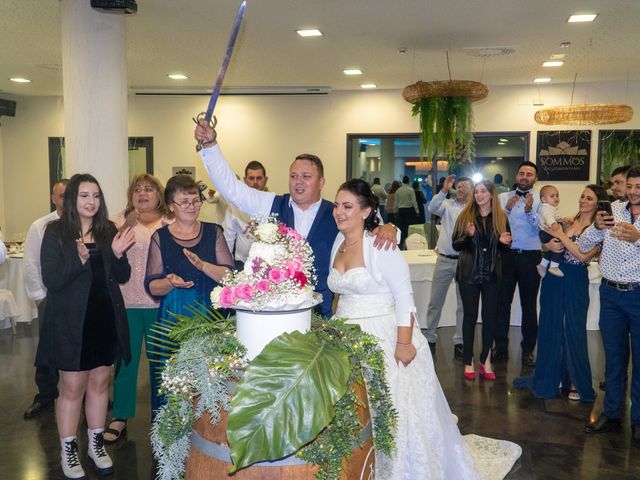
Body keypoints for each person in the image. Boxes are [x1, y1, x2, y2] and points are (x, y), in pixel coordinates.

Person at [329, 179, 521, 479]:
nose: (339, 212)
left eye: (348, 206)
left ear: (366, 212)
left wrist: (403, 344)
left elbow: (405, 296)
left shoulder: (381, 245)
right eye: (337, 206)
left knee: (391, 411)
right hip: (344, 338)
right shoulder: (337, 242)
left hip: (383, 335)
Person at [193, 122, 397, 318]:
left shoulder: (337, 213)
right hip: (274, 311)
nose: (298, 182)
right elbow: (232, 190)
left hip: (321, 312)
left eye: (306, 176)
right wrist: (210, 147)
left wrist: (390, 227)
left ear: (321, 182)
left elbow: (370, 224)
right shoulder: (270, 204)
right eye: (293, 176)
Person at [37, 173, 135, 479]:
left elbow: (121, 275)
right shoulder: (55, 232)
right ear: (71, 200)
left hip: (104, 318)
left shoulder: (108, 231)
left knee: (99, 385)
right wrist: (79, 261)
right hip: (70, 322)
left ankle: (95, 444)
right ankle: (69, 449)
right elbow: (52, 280)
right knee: (72, 388)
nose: (91, 201)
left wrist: (118, 254)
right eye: (84, 195)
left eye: (95, 196)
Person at [144, 174, 234, 413]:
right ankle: (172, 438)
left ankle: (207, 440)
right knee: (173, 379)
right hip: (173, 317)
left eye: (195, 201)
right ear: (171, 206)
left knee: (210, 378)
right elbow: (152, 286)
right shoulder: (160, 237)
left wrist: (203, 266)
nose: (191, 207)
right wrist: (170, 282)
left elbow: (229, 276)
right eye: (184, 202)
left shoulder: (213, 231)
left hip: (210, 316)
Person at [514, 185, 606, 403]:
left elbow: (583, 257)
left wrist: (561, 237)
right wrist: (548, 243)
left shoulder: (598, 229)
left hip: (575, 279)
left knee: (573, 328)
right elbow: (549, 244)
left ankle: (575, 380)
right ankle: (550, 375)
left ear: (597, 203)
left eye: (589, 198)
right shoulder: (569, 222)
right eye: (582, 196)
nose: (583, 200)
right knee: (549, 324)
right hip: (554, 279)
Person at [103, 174, 170, 443]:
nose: (143, 193)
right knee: (126, 362)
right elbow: (107, 256)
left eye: (149, 189)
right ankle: (120, 415)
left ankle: (163, 416)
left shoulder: (170, 222)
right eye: (138, 189)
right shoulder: (118, 221)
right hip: (126, 303)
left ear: (159, 195)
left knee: (161, 362)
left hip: (159, 303)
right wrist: (124, 227)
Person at [582, 165, 640, 447]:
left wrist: (639, 238)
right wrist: (595, 227)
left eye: (639, 187)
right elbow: (584, 244)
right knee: (614, 360)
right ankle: (612, 414)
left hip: (638, 295)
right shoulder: (612, 210)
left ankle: (638, 420)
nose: (632, 192)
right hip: (611, 295)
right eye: (630, 186)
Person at [452, 181, 512, 380]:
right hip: (469, 274)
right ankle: (468, 361)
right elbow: (456, 245)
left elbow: (506, 247)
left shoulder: (501, 217)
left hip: (493, 275)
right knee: (469, 317)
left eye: (483, 191)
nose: (479, 195)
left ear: (492, 194)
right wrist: (468, 237)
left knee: (490, 318)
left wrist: (504, 243)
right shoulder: (465, 216)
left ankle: (485, 360)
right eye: (476, 192)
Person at [22, 179, 68, 419]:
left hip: (77, 300)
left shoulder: (85, 224)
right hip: (50, 299)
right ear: (53, 198)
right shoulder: (40, 226)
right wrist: (39, 297)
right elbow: (30, 264)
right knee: (48, 350)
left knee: (79, 347)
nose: (65, 199)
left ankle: (81, 394)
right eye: (61, 195)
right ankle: (46, 395)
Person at [495, 161, 541, 367]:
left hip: (531, 256)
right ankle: (501, 347)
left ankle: (528, 350)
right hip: (506, 256)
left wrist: (530, 209)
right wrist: (507, 209)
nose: (525, 177)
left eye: (529, 174)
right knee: (502, 303)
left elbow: (543, 228)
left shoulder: (542, 200)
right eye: (521, 173)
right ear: (516, 176)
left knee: (529, 305)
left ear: (535, 179)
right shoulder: (502, 198)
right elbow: (495, 224)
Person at [423, 174, 471, 359]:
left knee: (463, 304)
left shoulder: (473, 209)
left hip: (465, 260)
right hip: (443, 259)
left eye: (464, 186)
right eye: (458, 186)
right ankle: (430, 337)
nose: (460, 189)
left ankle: (459, 340)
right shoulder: (447, 205)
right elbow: (432, 207)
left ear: (471, 190)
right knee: (435, 301)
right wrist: (444, 189)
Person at [223, 160, 268, 268]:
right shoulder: (235, 207)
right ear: (245, 180)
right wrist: (226, 267)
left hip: (268, 264)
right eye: (251, 178)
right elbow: (228, 239)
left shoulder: (274, 203)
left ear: (265, 180)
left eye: (259, 178)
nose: (255, 182)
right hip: (241, 263)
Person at [536, 185, 564, 277]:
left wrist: (562, 220)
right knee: (560, 244)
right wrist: (554, 224)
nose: (556, 198)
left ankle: (543, 264)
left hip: (546, 233)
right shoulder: (546, 207)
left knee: (551, 249)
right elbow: (549, 218)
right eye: (552, 196)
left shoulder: (551, 207)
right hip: (546, 233)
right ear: (543, 199)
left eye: (557, 195)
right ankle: (554, 266)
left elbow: (556, 217)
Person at [395, 176, 419, 248]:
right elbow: (413, 201)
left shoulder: (398, 190)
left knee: (401, 228)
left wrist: (395, 211)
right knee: (409, 228)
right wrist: (417, 210)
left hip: (401, 211)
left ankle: (401, 244)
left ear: (403, 181)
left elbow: (396, 202)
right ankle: (408, 244)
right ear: (408, 181)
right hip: (409, 211)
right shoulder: (411, 190)